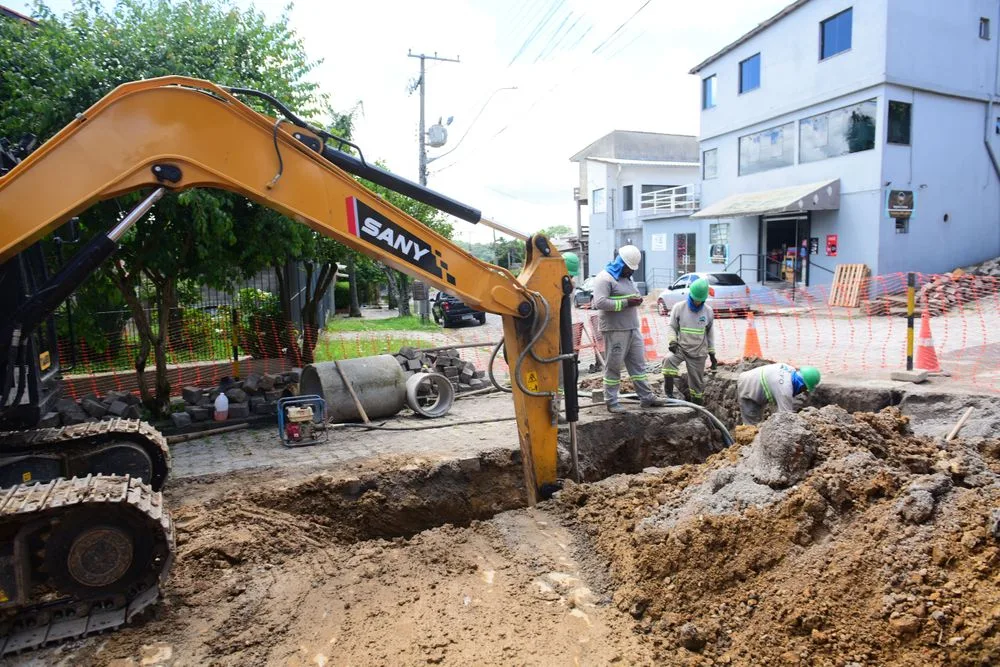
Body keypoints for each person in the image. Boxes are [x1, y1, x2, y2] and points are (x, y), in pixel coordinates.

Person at [591, 245, 667, 414]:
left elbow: (631, 295)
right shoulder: (605, 279)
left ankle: (646, 397)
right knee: (614, 365)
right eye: (629, 268)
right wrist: (626, 303)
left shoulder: (627, 279)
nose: (631, 272)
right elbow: (600, 302)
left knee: (638, 365)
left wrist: (636, 300)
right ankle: (611, 400)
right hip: (615, 330)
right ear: (621, 264)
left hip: (632, 327)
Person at [662, 277, 715, 404]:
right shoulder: (679, 308)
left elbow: (710, 334)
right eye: (696, 299)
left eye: (700, 300)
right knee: (668, 360)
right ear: (690, 294)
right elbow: (672, 327)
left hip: (698, 352)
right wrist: (672, 341)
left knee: (697, 384)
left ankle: (697, 407)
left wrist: (712, 354)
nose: (697, 303)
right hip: (681, 348)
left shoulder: (708, 311)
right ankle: (669, 394)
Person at [736, 363, 821, 425]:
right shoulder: (784, 390)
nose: (802, 392)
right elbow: (785, 418)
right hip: (748, 387)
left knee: (760, 422)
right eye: (804, 389)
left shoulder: (789, 368)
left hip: (754, 380)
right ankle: (746, 447)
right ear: (802, 384)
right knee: (751, 426)